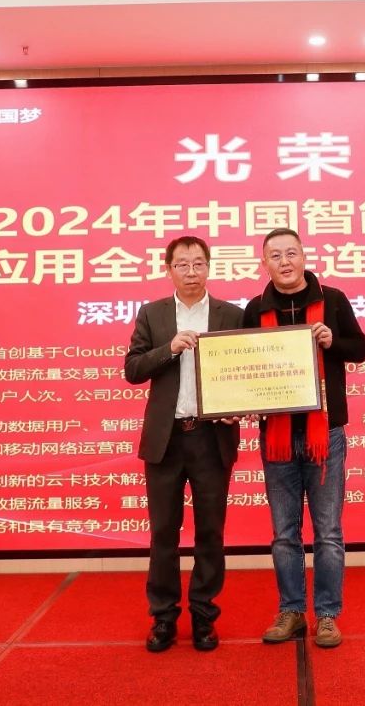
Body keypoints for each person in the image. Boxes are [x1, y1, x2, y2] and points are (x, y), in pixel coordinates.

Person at [242, 228, 365, 649]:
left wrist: (333, 340)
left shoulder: (333, 300)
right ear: (265, 263)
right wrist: (242, 401)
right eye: (275, 255)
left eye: (291, 253)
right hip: (277, 435)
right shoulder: (255, 309)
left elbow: (360, 348)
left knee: (328, 532)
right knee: (284, 533)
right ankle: (292, 611)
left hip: (325, 433)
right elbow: (243, 368)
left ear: (303, 257)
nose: (285, 262)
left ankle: (328, 615)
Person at [124, 235, 243, 653]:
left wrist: (239, 408)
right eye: (182, 264)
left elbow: (246, 373)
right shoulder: (153, 314)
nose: (191, 272)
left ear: (209, 267)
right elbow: (133, 369)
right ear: (169, 269)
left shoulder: (232, 315)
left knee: (210, 532)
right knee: (163, 533)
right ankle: (163, 618)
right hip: (166, 439)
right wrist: (169, 349)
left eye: (198, 264)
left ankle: (204, 615)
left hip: (212, 438)